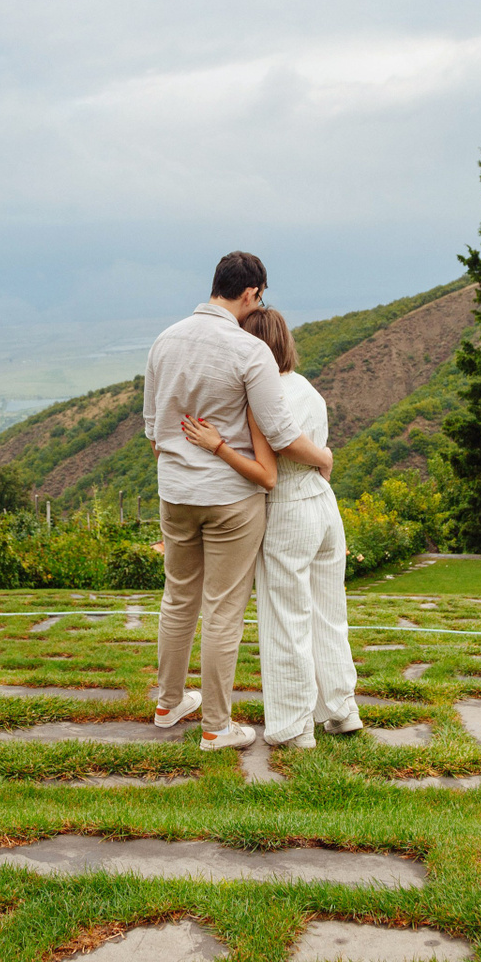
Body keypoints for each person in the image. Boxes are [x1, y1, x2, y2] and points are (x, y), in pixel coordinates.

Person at [142, 252, 334, 751]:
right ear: (251, 293)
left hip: (175, 493)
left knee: (177, 598)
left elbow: (153, 433)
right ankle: (216, 726)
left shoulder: (165, 341)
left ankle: (167, 704)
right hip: (231, 498)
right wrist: (323, 457)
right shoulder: (250, 352)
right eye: (260, 297)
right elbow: (280, 432)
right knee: (223, 610)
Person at [181, 307, 359, 748]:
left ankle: (294, 726)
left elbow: (281, 447)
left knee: (286, 619)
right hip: (323, 504)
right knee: (329, 612)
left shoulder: (265, 394)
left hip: (288, 508)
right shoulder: (306, 387)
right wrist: (326, 459)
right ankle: (341, 709)